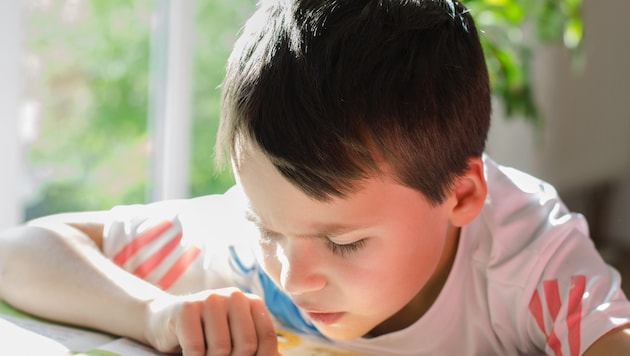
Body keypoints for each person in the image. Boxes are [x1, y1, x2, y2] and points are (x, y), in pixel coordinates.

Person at [1, 0, 629, 354]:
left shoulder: (526, 259)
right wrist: (156, 313)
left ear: (461, 194)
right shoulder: (251, 249)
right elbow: (19, 254)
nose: (291, 279)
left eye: (344, 242)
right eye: (267, 227)